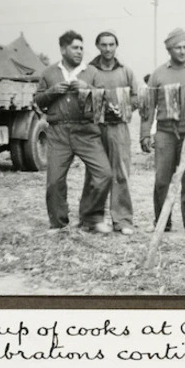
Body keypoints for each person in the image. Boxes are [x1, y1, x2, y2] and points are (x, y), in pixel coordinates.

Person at [34, 30, 113, 234]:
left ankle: (92, 218)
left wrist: (87, 88)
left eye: (81, 48)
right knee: (54, 180)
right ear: (62, 49)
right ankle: (59, 223)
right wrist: (52, 91)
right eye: (74, 48)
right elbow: (38, 101)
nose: (79, 52)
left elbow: (105, 101)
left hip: (86, 130)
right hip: (58, 131)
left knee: (104, 174)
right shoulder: (49, 73)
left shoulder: (92, 73)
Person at [140, 28, 185, 234]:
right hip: (165, 133)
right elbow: (147, 108)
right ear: (169, 50)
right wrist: (144, 133)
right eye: (178, 47)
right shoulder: (158, 74)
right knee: (162, 179)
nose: (182, 51)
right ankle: (162, 222)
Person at [80, 29, 142, 235]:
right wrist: (98, 107)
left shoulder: (126, 71)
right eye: (103, 45)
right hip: (95, 128)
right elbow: (82, 98)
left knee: (121, 172)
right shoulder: (89, 70)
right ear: (98, 46)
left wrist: (123, 108)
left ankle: (123, 219)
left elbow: (136, 97)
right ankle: (92, 218)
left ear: (117, 46)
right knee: (96, 173)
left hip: (119, 128)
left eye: (111, 44)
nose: (108, 49)